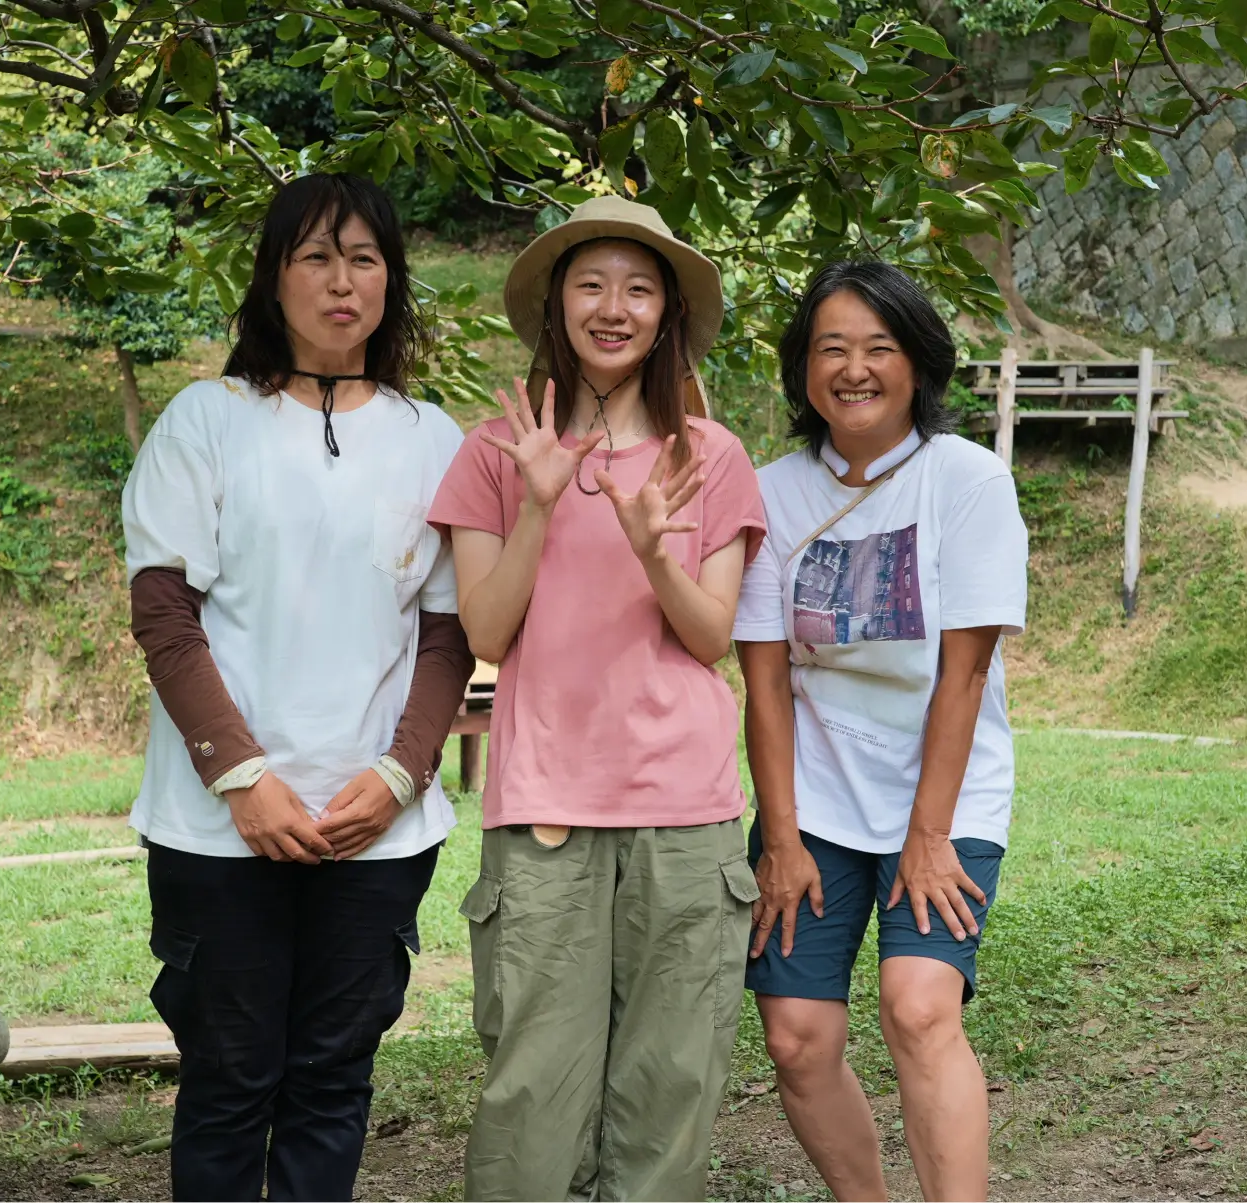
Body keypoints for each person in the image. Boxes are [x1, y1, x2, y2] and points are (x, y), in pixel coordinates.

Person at [120, 172, 474, 1202]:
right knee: (229, 1083)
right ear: (274, 280)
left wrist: (403, 774)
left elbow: (448, 633)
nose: (341, 281)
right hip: (218, 826)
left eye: (364, 258)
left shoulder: (431, 437)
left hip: (375, 829)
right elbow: (166, 615)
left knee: (332, 1081)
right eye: (315, 257)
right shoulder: (207, 419)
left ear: (391, 281)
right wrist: (242, 777)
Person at [426, 195, 767, 1202]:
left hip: (686, 814)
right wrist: (537, 501)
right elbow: (486, 632)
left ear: (666, 314)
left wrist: (656, 548)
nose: (613, 307)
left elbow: (712, 640)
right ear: (556, 305)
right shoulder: (496, 449)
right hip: (544, 813)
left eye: (638, 288)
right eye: (591, 283)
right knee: (531, 1100)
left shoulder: (712, 456)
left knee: (669, 1097)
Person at [732, 260, 1029, 1202]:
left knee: (919, 1004)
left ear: (919, 364)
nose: (854, 370)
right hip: (816, 796)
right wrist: (779, 839)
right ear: (803, 369)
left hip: (945, 792)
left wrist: (929, 833)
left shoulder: (968, 480)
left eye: (879, 348)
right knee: (795, 1034)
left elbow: (965, 671)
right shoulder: (771, 492)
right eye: (832, 350)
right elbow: (766, 681)